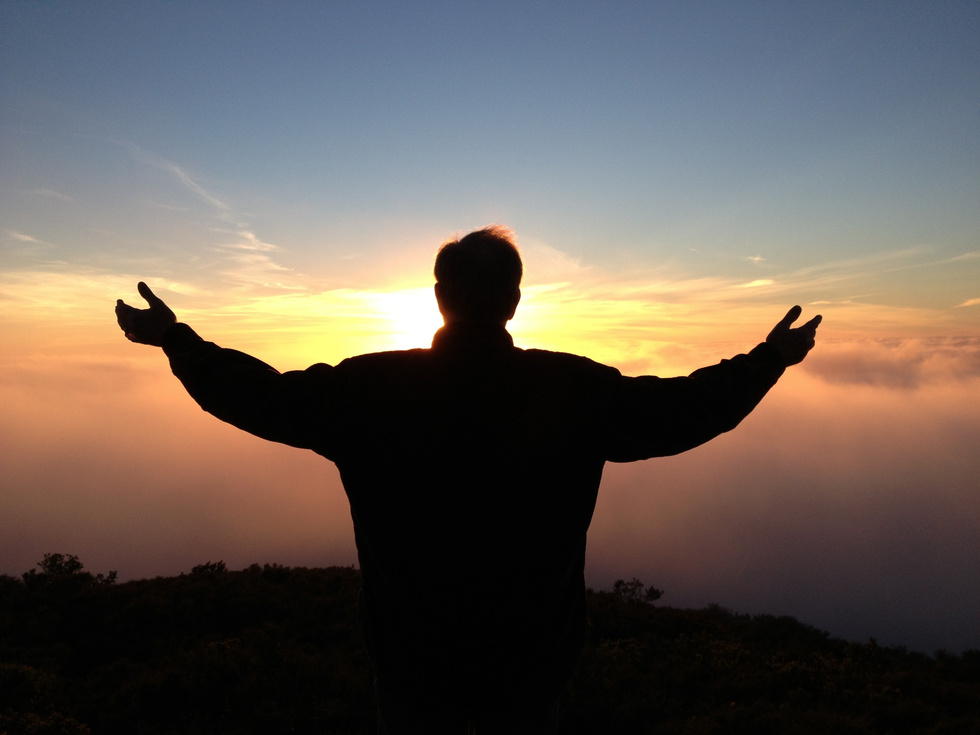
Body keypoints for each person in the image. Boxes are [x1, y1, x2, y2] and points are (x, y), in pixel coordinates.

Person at [115, 225, 820, 734]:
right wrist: (770, 358)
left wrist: (175, 338)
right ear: (513, 301)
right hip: (528, 674)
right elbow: (689, 410)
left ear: (439, 296)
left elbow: (256, 395)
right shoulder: (573, 390)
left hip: (412, 675)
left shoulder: (369, 390)